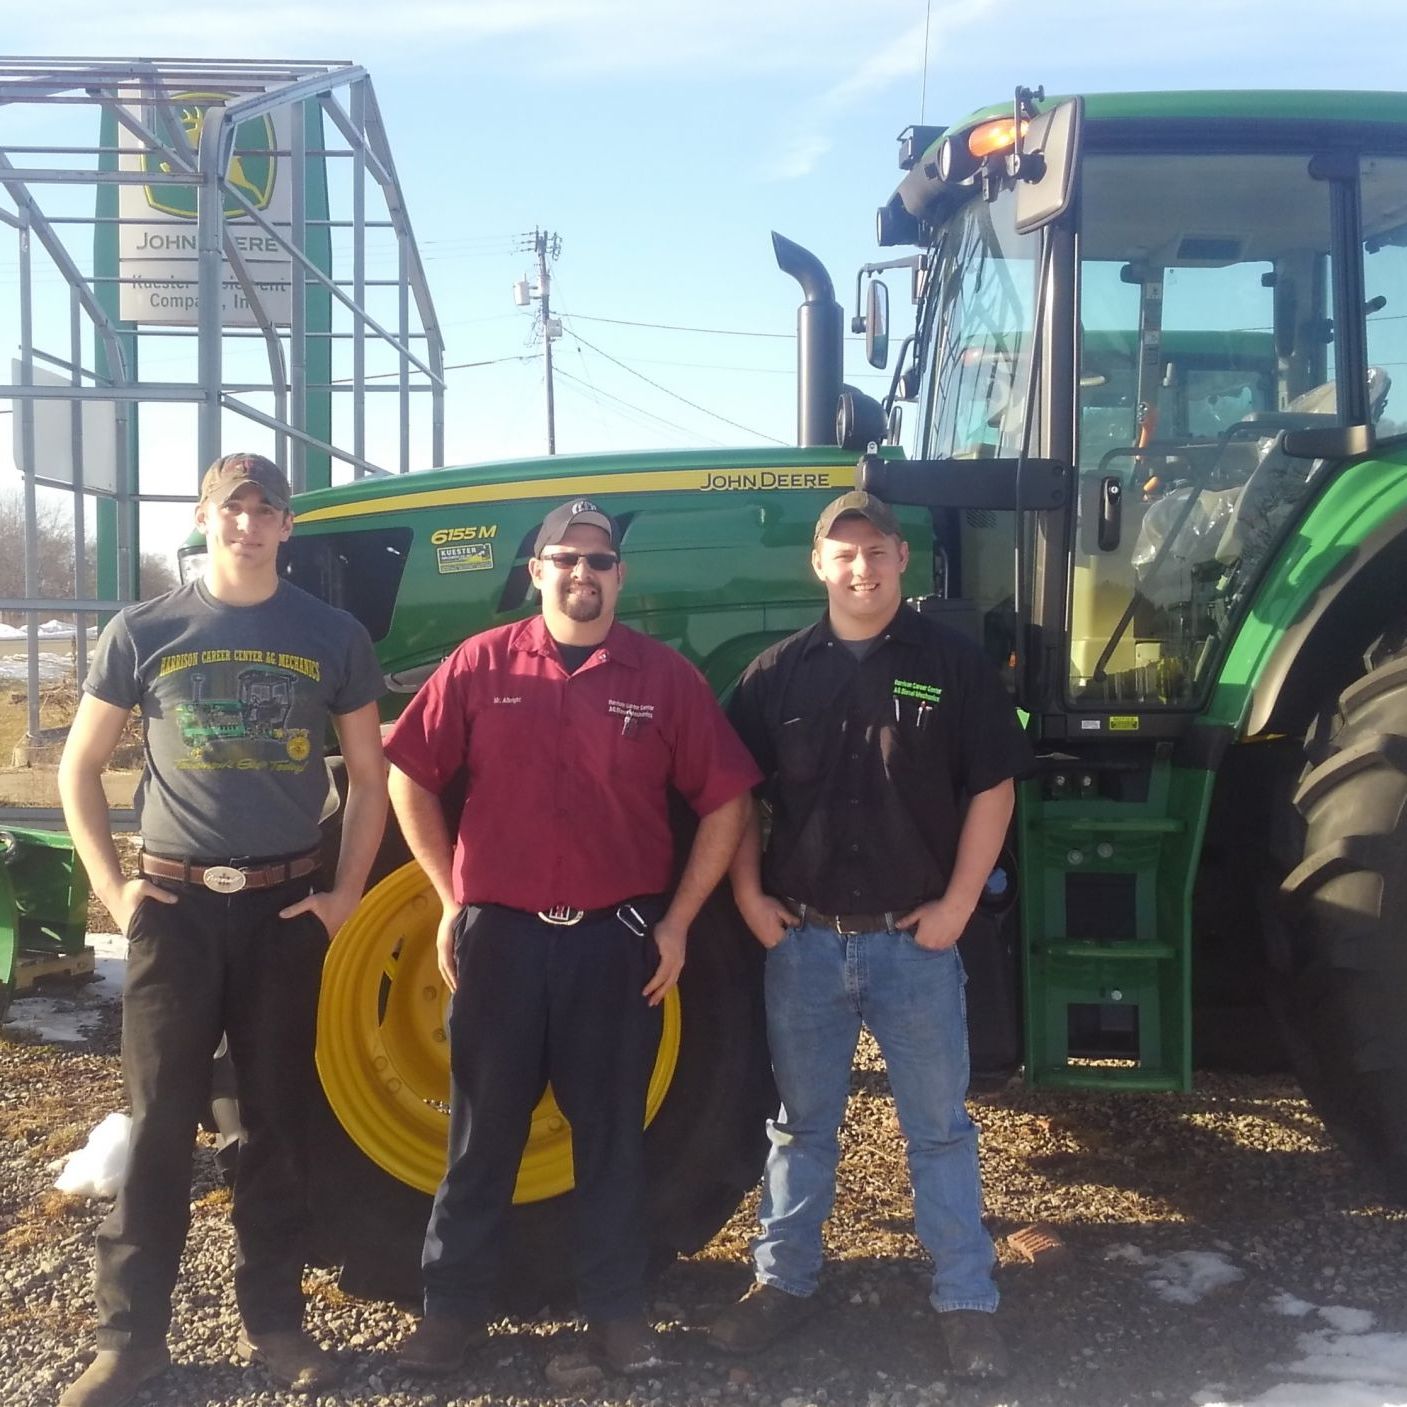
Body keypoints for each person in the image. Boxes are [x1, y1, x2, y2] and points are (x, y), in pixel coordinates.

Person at [383, 497, 758, 1377]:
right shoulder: (480, 663)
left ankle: (618, 1315)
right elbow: (408, 776)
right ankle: (450, 1311)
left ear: (620, 576)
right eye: (564, 558)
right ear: (535, 571)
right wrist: (449, 898)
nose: (580, 574)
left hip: (612, 945)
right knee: (480, 1136)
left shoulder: (663, 678)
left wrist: (677, 921)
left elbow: (727, 801)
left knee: (612, 1142)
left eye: (597, 560)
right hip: (503, 942)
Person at [56, 453, 388, 1407]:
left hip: (286, 915)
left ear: (289, 526)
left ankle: (277, 1325)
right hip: (175, 912)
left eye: (264, 509)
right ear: (204, 520)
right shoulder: (144, 630)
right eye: (229, 508)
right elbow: (81, 769)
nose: (247, 524)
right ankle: (131, 1340)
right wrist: (115, 891)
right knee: (159, 1125)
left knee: (272, 1125)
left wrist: (346, 896)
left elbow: (369, 778)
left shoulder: (332, 635)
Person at [709, 490, 1034, 1379]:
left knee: (937, 1130)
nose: (861, 567)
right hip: (806, 945)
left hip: (912, 946)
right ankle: (782, 1282)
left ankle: (966, 1300)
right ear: (819, 565)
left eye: (876, 551)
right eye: (843, 552)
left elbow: (993, 787)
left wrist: (960, 906)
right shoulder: (776, 673)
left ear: (900, 560)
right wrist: (746, 897)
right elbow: (731, 792)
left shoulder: (953, 665)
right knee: (799, 1129)